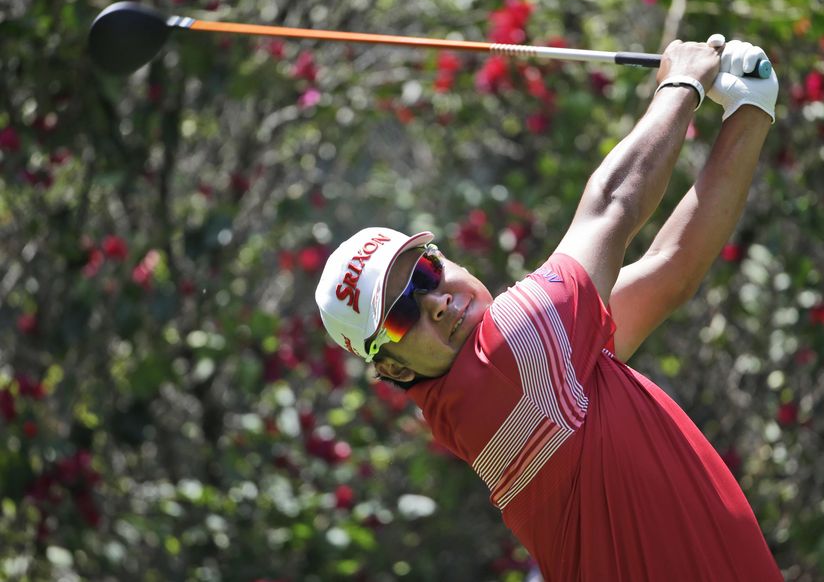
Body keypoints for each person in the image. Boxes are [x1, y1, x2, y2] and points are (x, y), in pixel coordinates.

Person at [315, 35, 782, 581]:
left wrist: (752, 108)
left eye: (424, 272)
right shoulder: (505, 360)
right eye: (401, 314)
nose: (435, 304)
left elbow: (669, 270)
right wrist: (681, 83)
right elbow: (612, 206)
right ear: (393, 368)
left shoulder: (545, 376)